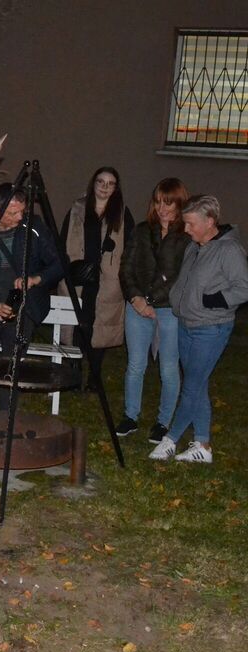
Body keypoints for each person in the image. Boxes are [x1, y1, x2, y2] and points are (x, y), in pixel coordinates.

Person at [148, 196, 248, 464]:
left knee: (191, 386)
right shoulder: (195, 246)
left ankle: (170, 439)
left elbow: (244, 287)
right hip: (187, 324)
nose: (187, 229)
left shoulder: (229, 250)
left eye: (191, 224)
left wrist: (211, 300)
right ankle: (202, 445)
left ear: (210, 221)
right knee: (197, 384)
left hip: (211, 328)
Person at [0, 183, 63, 411]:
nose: (19, 217)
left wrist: (35, 279)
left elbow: (58, 263)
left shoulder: (34, 229)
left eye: (22, 211)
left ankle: (6, 420)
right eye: (12, 213)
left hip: (23, 310)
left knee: (12, 365)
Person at [115, 178, 190, 443]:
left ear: (180, 204)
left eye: (168, 203)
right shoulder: (142, 230)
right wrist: (136, 298)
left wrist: (152, 300)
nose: (162, 208)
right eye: (158, 202)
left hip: (169, 310)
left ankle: (163, 421)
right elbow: (126, 267)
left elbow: (182, 277)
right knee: (136, 364)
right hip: (137, 307)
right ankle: (130, 416)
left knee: (169, 368)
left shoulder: (186, 237)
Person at [61, 167, 135, 392]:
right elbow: (63, 239)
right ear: (93, 184)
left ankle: (95, 375)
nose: (104, 187)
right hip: (79, 277)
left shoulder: (122, 214)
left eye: (110, 183)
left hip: (107, 282)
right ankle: (73, 374)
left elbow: (130, 247)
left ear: (116, 188)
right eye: (100, 181)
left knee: (99, 328)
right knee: (75, 326)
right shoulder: (77, 209)